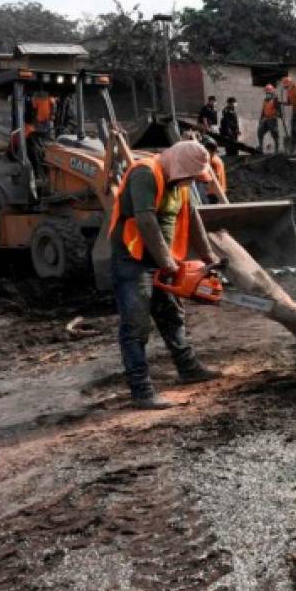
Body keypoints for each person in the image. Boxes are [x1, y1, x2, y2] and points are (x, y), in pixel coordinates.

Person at [109, 140, 222, 409]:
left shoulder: (180, 183)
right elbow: (146, 220)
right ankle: (142, 391)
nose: (191, 181)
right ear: (179, 165)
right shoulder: (145, 174)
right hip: (133, 259)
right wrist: (167, 261)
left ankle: (188, 368)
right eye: (190, 176)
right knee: (136, 324)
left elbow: (193, 217)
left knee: (172, 314)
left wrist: (209, 257)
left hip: (163, 259)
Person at [258, 84, 282, 153]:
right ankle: (260, 147)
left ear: (272, 93)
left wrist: (278, 114)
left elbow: (279, 111)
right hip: (265, 119)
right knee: (260, 131)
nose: (267, 94)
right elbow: (263, 110)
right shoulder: (265, 100)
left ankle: (277, 150)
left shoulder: (275, 100)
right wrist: (261, 119)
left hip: (272, 119)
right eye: (266, 93)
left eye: (268, 93)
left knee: (275, 134)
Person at [203, 136, 227, 203]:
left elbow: (215, 176)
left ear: (209, 150)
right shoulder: (216, 159)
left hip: (214, 192)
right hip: (218, 190)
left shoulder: (213, 161)